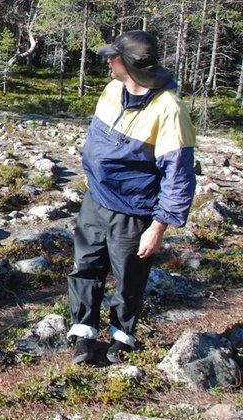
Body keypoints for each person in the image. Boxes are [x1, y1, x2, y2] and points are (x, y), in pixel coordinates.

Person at [67, 30, 197, 364]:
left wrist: (158, 226)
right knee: (86, 267)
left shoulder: (169, 109)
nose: (107, 60)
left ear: (127, 63)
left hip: (133, 210)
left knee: (128, 279)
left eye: (113, 56)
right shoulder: (112, 90)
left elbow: (178, 175)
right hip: (96, 200)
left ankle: (122, 336)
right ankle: (83, 331)